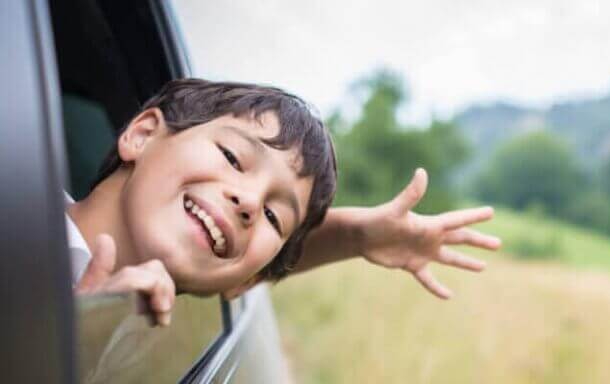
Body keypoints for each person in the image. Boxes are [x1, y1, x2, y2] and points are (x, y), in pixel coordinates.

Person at [69, 79, 500, 326]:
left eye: (274, 217)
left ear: (243, 284)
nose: (250, 203)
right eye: (233, 157)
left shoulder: (137, 325)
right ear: (142, 134)